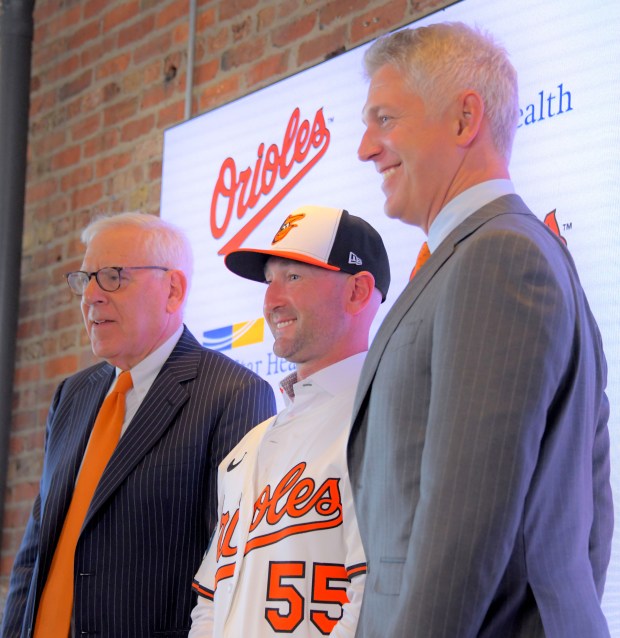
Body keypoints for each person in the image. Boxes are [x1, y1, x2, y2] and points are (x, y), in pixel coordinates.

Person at [347, 22, 613, 638]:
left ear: (465, 120)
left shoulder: (496, 258)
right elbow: (590, 515)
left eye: (384, 119)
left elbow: (461, 532)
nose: (365, 148)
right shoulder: (513, 254)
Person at [1, 212, 276, 637]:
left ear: (173, 289)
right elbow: (36, 548)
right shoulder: (72, 395)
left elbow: (229, 569)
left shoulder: (233, 394)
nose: (91, 295)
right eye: (86, 278)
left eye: (113, 277)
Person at [188, 204, 391, 637]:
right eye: (269, 280)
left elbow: (380, 596)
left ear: (357, 291)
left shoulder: (388, 419)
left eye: (293, 277)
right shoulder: (244, 450)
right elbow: (210, 601)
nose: (270, 300)